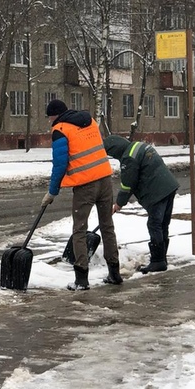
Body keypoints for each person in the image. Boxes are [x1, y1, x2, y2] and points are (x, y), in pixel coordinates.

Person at [41, 99, 121, 290]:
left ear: (54, 115)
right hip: (104, 178)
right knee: (106, 226)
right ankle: (114, 273)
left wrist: (52, 192)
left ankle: (81, 279)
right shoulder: (90, 121)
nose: (49, 120)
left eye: (49, 116)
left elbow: (60, 164)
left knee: (79, 229)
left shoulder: (60, 129)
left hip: (85, 185)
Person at [103, 134, 179, 273]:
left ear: (115, 151)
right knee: (162, 224)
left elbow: (127, 184)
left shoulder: (128, 158)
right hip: (169, 186)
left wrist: (118, 204)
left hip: (157, 191)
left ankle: (158, 261)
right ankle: (162, 258)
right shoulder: (137, 146)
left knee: (154, 224)